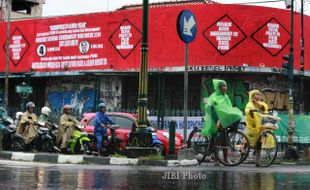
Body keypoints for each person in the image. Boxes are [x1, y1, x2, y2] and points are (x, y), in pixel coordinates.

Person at [201, 79, 243, 165]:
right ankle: (216, 159)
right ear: (219, 87)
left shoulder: (226, 97)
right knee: (217, 138)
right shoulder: (214, 96)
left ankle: (225, 159)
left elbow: (228, 108)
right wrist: (217, 118)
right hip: (214, 118)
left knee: (225, 139)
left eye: (226, 86)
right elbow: (209, 107)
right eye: (223, 86)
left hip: (222, 119)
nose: (225, 88)